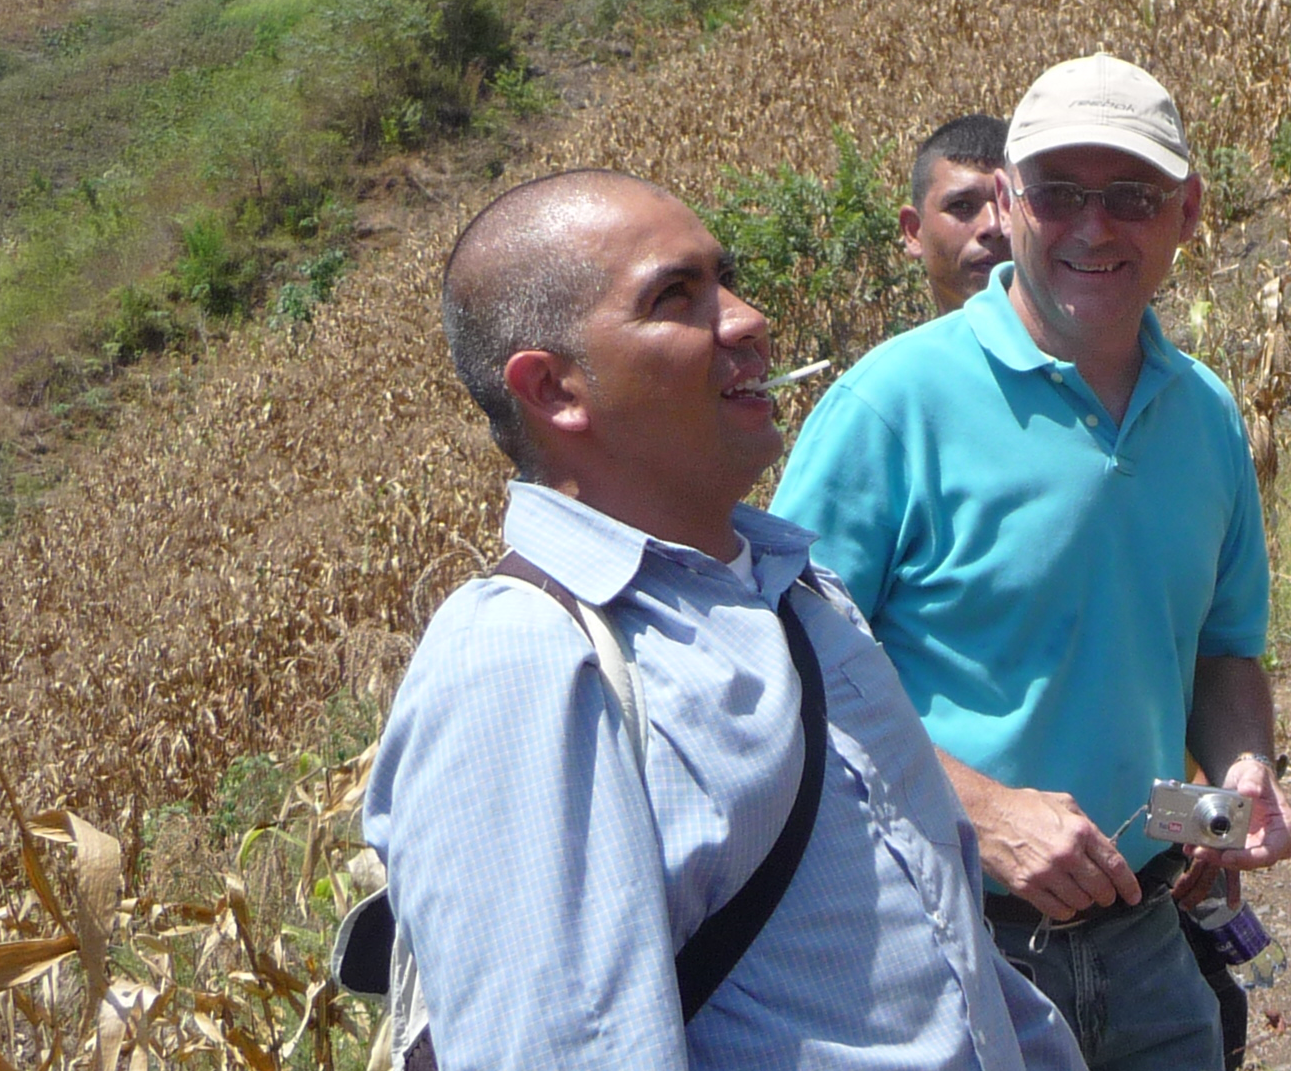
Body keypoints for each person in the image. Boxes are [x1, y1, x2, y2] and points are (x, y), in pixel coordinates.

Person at [365, 169, 1082, 1071]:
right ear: (554, 391)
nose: (746, 321)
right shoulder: (525, 662)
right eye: (676, 298)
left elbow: (937, 947)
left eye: (726, 280)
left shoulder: (795, 582)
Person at [776, 56, 1291, 1071]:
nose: (1094, 230)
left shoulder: (1206, 415)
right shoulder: (892, 406)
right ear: (1012, 203)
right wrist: (983, 810)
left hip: (1151, 949)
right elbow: (784, 671)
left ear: (1187, 212)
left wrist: (1241, 770)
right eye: (1059, 194)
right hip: (945, 944)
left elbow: (1223, 653)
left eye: (1132, 197)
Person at [905, 113, 1013, 311]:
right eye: (962, 206)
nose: (993, 225)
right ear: (913, 231)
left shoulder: (1085, 342)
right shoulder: (908, 344)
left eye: (1009, 203)